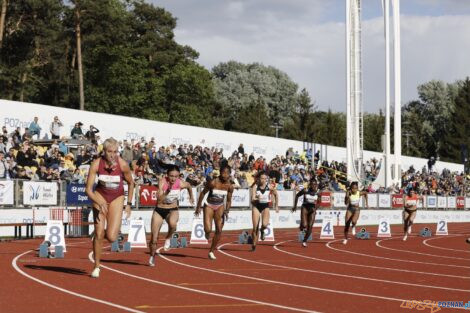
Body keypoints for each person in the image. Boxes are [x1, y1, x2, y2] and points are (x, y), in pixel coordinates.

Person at [85, 138, 135, 278]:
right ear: (104, 151)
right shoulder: (96, 164)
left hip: (117, 198)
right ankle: (96, 266)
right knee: (99, 233)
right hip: (100, 195)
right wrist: (98, 202)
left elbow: (131, 183)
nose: (112, 154)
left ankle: (104, 232)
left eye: (115, 151)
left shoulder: (122, 164)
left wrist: (129, 204)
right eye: (109, 151)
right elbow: (88, 190)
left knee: (112, 237)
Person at [148, 165, 194, 267]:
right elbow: (159, 200)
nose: (173, 178)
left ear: (178, 176)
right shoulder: (162, 182)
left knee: (173, 224)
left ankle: (168, 238)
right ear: (167, 175)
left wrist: (191, 196)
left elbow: (189, 186)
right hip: (159, 209)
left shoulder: (180, 183)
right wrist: (167, 192)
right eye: (171, 176)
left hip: (172, 209)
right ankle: (152, 256)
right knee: (154, 239)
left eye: (175, 176)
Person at [195, 165, 234, 260]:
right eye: (223, 172)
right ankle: (207, 232)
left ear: (230, 174)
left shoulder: (229, 186)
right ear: (220, 173)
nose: (225, 175)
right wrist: (198, 207)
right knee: (208, 229)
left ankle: (211, 251)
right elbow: (203, 193)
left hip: (220, 206)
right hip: (209, 205)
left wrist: (227, 210)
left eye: (227, 173)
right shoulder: (213, 182)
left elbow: (228, 200)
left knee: (219, 230)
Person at [250, 171, 279, 251]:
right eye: (262, 178)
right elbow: (252, 199)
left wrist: (276, 206)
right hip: (256, 206)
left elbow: (276, 194)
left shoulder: (269, 186)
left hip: (265, 207)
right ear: (259, 178)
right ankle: (254, 245)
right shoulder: (255, 187)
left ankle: (262, 230)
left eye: (265, 178)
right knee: (255, 227)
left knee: (265, 225)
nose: (263, 180)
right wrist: (257, 199)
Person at [292, 179, 320, 247]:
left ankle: (304, 241)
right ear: (310, 185)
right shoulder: (305, 190)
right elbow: (297, 196)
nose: (313, 186)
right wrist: (295, 206)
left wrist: (315, 209)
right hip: (305, 207)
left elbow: (319, 202)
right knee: (304, 225)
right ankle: (301, 226)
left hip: (312, 209)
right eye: (312, 184)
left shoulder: (318, 192)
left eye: (315, 184)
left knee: (310, 226)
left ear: (316, 185)